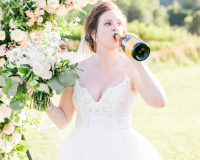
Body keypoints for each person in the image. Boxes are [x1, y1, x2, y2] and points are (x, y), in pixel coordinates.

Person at [28, 2, 167, 159]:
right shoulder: (75, 70)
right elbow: (63, 120)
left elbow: (159, 102)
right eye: (108, 23)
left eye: (119, 24)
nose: (115, 28)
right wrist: (46, 104)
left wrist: (138, 61)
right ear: (94, 34)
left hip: (122, 150)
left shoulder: (132, 69)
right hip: (81, 150)